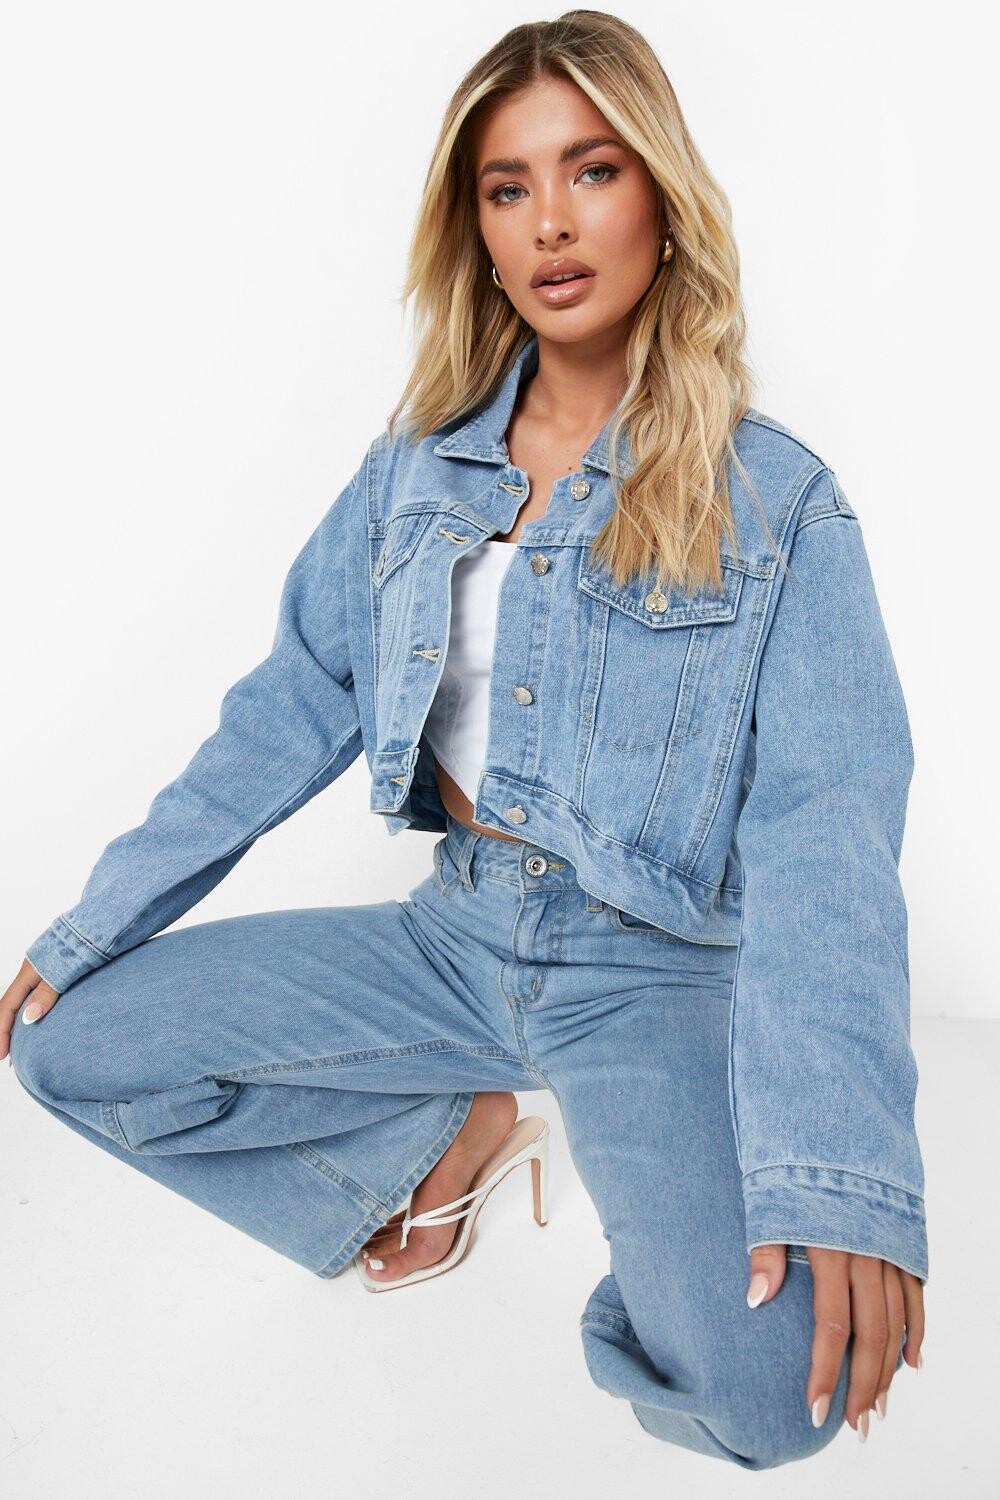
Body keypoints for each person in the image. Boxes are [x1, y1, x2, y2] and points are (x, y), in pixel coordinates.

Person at [2, 11, 927, 1470]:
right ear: (479, 233)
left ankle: (659, 1226)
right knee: (68, 1048)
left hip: (652, 976)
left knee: (774, 1402)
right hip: (451, 942)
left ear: (663, 201)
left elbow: (831, 834)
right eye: (509, 187)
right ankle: (444, 1140)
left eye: (593, 170)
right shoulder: (413, 473)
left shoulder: (777, 503)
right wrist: (98, 920)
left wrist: (842, 1170)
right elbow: (288, 704)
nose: (551, 220)